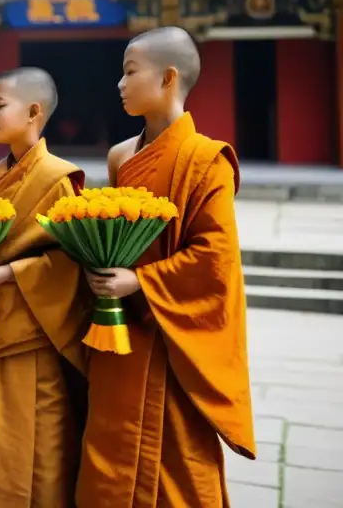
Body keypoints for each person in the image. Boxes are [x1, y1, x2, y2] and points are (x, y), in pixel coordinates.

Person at [77, 27, 255, 507]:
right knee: (107, 447)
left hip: (171, 337)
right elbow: (110, 231)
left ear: (168, 77)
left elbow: (214, 257)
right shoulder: (120, 156)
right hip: (119, 334)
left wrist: (140, 281)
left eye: (130, 71)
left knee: (175, 458)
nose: (119, 82)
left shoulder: (206, 161)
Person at [0, 68, 91, 508]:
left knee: (38, 437)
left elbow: (70, 261)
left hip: (32, 329)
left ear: (33, 112)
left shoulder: (58, 178)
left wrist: (4, 275)